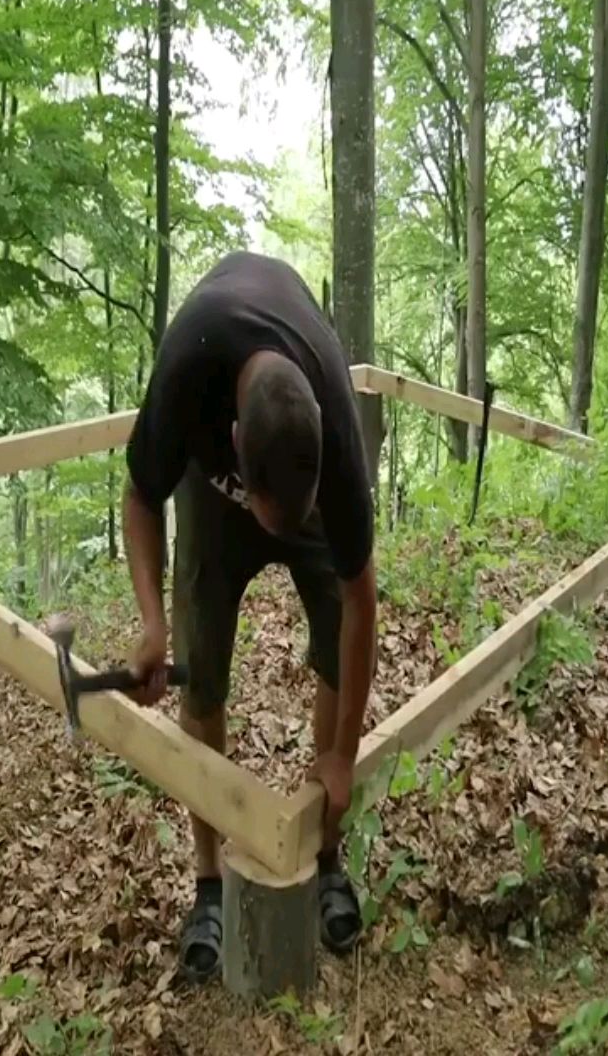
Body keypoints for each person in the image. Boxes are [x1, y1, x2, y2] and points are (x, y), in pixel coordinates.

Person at [121, 250, 377, 984]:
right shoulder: (187, 370)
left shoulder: (334, 426)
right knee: (199, 670)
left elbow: (360, 601)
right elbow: (140, 496)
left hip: (293, 472)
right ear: (234, 443)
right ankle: (208, 882)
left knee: (332, 633)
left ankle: (326, 852)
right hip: (210, 496)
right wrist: (152, 626)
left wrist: (342, 756)